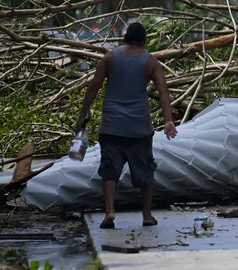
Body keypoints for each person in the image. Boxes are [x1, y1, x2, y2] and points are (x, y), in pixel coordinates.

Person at [76, 22, 177, 229]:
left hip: (112, 125)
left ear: (124, 38)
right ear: (144, 40)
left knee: (109, 169)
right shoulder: (151, 62)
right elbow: (164, 91)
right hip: (139, 127)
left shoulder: (110, 58)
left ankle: (110, 211)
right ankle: (147, 216)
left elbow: (93, 88)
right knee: (145, 170)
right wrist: (168, 121)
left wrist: (83, 115)